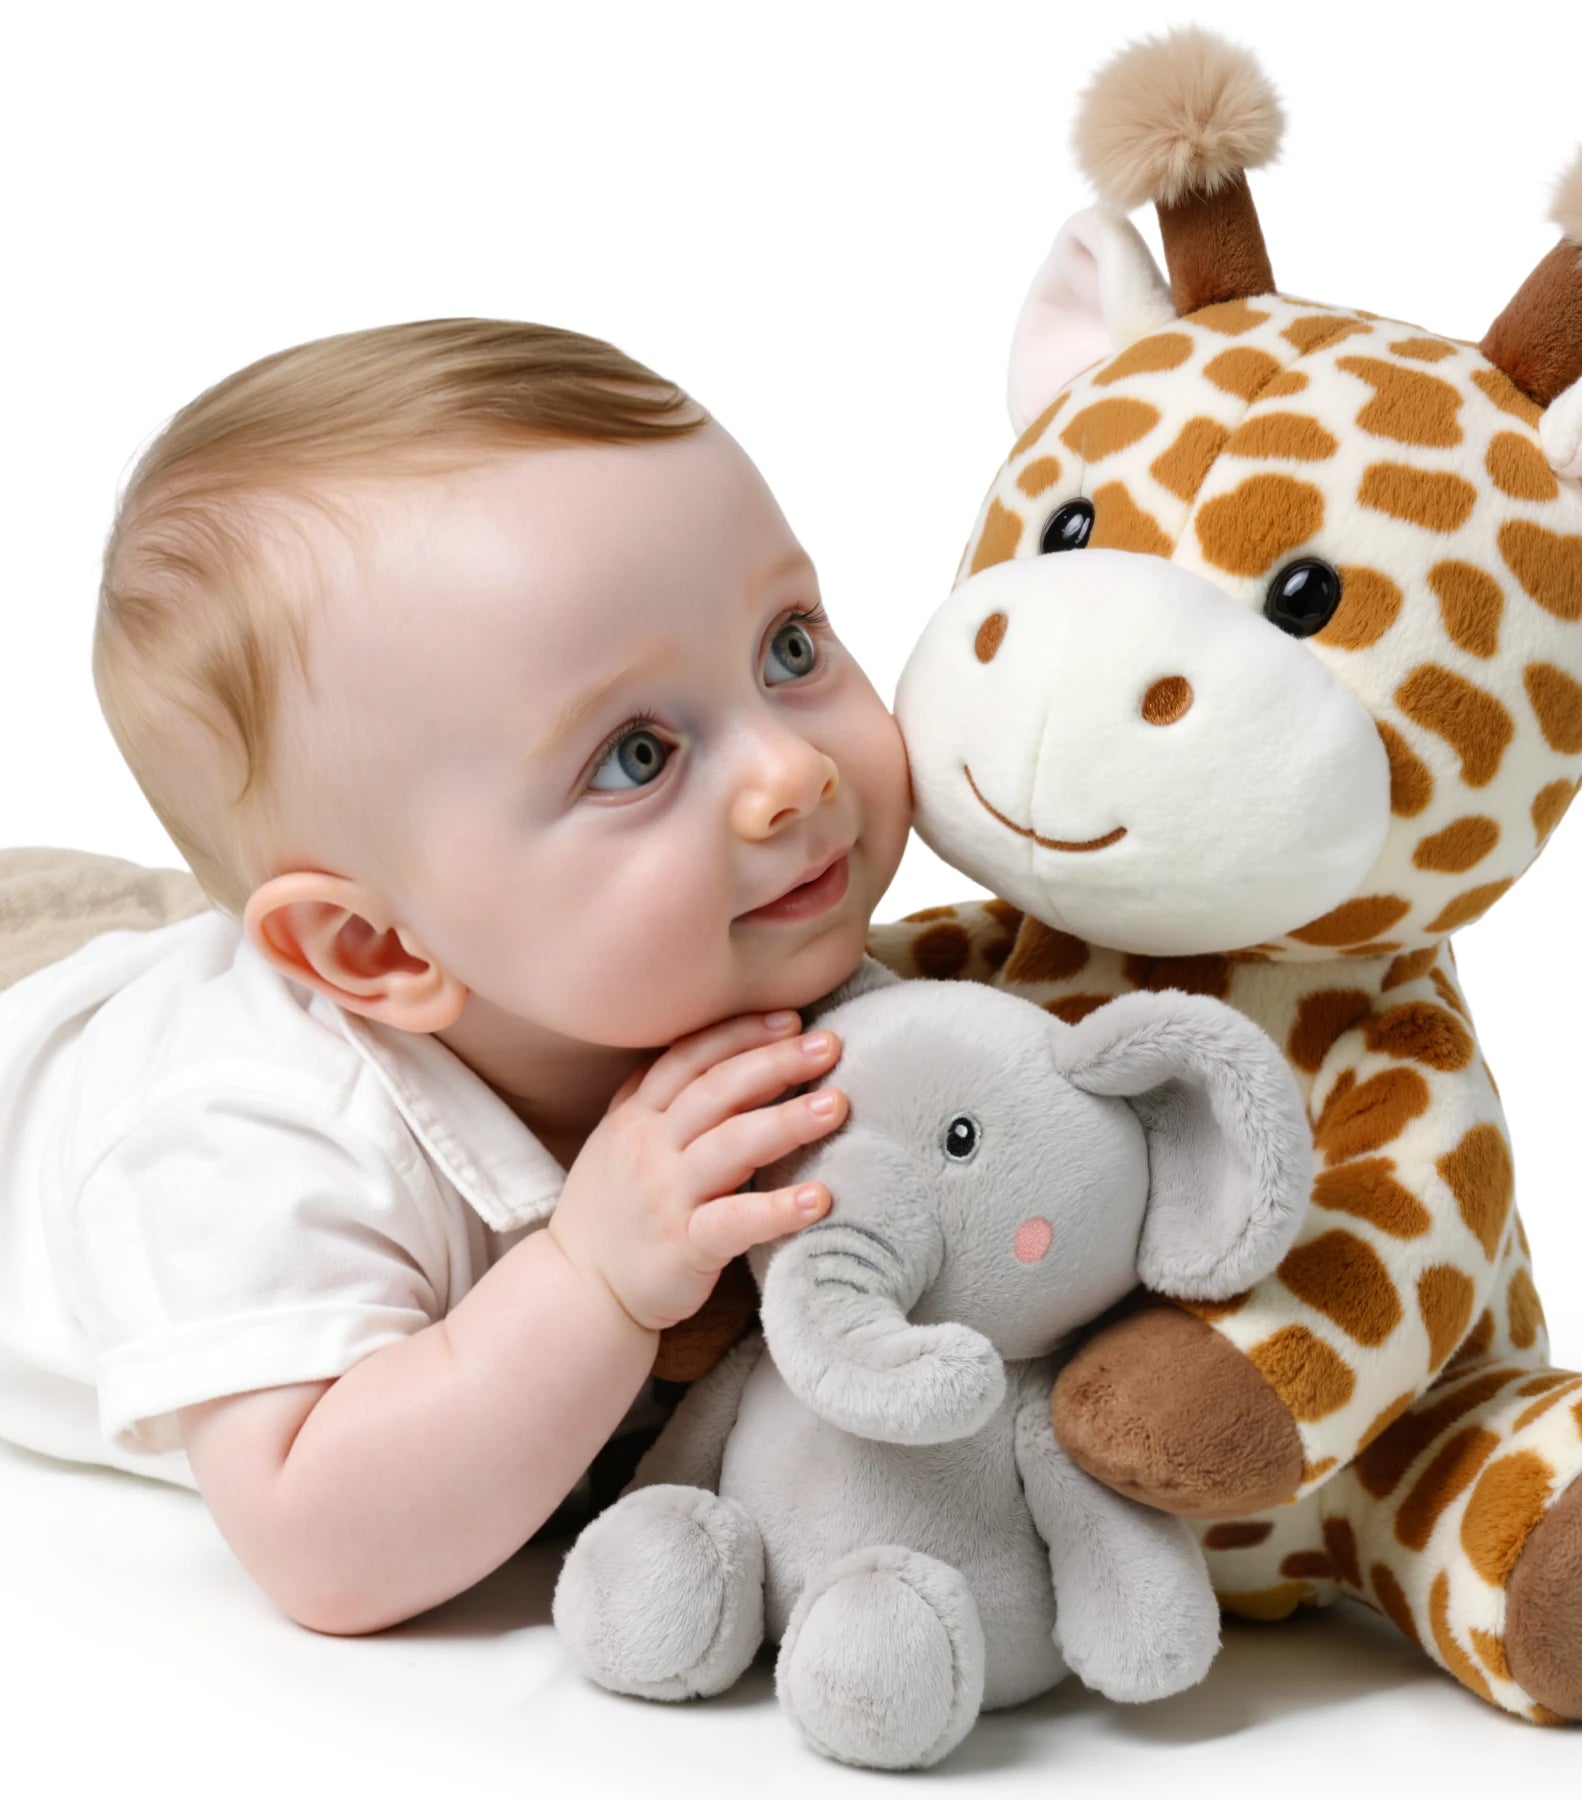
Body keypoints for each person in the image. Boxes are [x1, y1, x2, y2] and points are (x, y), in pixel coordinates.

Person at [0, 319, 913, 1636]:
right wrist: (593, 1280)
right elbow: (322, 1543)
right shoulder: (247, 1141)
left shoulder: (703, 946)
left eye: (789, 646)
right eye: (639, 756)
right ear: (380, 952)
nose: (793, 771)